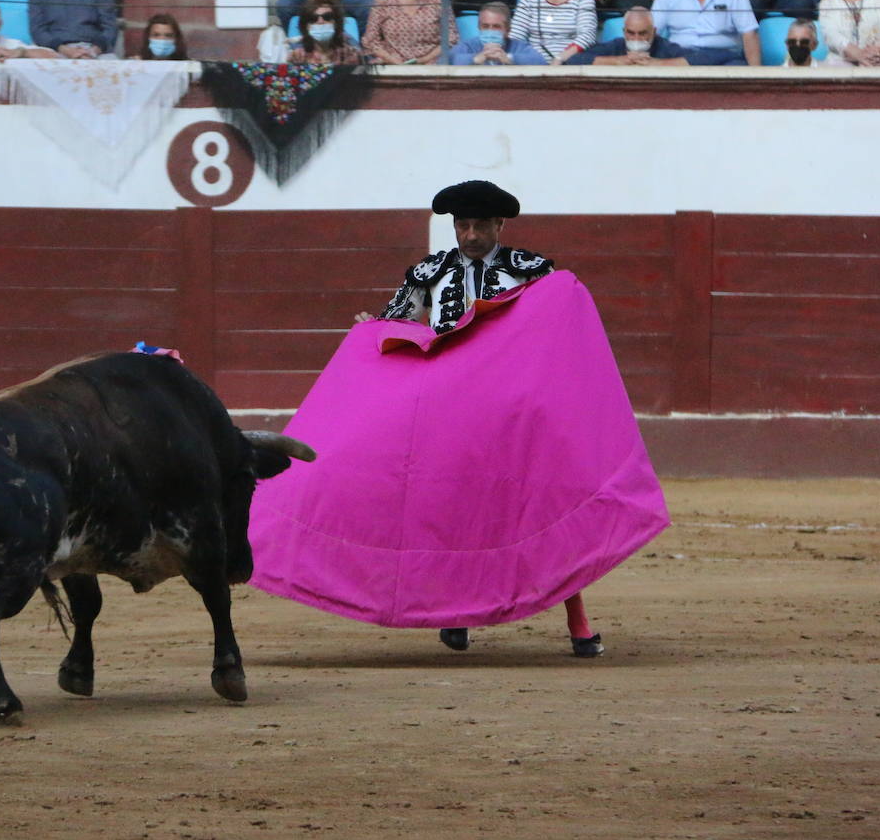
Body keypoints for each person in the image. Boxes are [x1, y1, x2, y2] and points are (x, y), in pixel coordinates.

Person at [249, 179, 669, 658]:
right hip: (451, 410)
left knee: (545, 505)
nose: (469, 235)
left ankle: (578, 621)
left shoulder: (532, 273)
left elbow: (557, 333)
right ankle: (457, 612)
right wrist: (374, 330)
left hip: (511, 411)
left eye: (479, 226)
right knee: (453, 511)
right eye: (462, 225)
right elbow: (398, 325)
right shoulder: (429, 272)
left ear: (499, 225)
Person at [564, 3, 728, 62]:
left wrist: (658, 64)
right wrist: (619, 61)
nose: (636, 38)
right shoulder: (616, 47)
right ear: (624, 31)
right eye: (631, 33)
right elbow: (574, 60)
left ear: (654, 31)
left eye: (643, 33)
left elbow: (710, 57)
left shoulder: (664, 48)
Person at [448, 0, 548, 64]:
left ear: (508, 30)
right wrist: (475, 59)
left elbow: (540, 61)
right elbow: (446, 61)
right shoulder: (469, 45)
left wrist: (509, 58)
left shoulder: (519, 46)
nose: (490, 30)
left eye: (496, 26)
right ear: (479, 27)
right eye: (485, 26)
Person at [288, 0, 363, 62]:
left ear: (336, 22)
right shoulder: (297, 54)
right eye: (313, 18)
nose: (320, 21)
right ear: (306, 26)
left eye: (327, 17)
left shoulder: (349, 49)